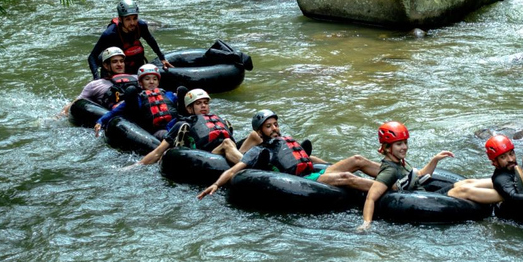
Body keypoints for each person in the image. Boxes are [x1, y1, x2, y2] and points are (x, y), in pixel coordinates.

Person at [197, 110, 381, 199]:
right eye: (268, 126)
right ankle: (388, 191)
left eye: (275, 124)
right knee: (346, 177)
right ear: (259, 132)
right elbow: (235, 170)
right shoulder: (259, 150)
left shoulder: (285, 142)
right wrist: (215, 184)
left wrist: (327, 165)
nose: (274, 128)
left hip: (314, 173)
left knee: (357, 159)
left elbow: (309, 159)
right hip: (305, 181)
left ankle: (399, 176)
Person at [358, 121, 455, 231]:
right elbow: (371, 198)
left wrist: (435, 159)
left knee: (461, 185)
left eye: (405, 142)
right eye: (399, 144)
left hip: (426, 193)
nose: (405, 147)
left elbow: (421, 174)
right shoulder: (390, 170)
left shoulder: (400, 162)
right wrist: (366, 223)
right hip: (423, 201)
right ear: (387, 148)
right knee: (462, 188)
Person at [137, 88, 242, 165]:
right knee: (227, 143)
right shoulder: (182, 125)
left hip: (229, 151)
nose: (203, 106)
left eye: (206, 103)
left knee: (254, 136)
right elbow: (157, 152)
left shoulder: (221, 121)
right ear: (189, 109)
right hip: (209, 157)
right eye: (198, 103)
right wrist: (137, 166)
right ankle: (250, 166)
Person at [88, 0, 174, 80]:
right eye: (128, 19)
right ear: (120, 19)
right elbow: (92, 57)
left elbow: (151, 41)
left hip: (135, 65)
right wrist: (96, 78)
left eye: (134, 18)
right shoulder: (110, 34)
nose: (132, 23)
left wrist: (162, 59)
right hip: (117, 70)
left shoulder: (141, 26)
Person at [94, 64, 179, 140]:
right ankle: (174, 140)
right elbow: (115, 111)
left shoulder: (169, 94)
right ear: (140, 82)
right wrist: (100, 121)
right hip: (156, 131)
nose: (151, 82)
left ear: (158, 82)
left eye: (155, 79)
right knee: (163, 134)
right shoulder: (138, 98)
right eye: (147, 79)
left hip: (174, 126)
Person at [60, 47, 136, 116]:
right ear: (106, 65)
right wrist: (59, 116)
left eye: (122, 61)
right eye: (114, 62)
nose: (119, 64)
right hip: (115, 117)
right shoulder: (95, 85)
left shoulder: (137, 78)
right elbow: (75, 103)